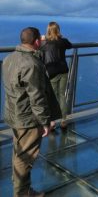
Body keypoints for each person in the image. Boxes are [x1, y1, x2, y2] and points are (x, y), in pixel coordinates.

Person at [3, 27, 61, 197]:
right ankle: (22, 194)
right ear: (36, 41)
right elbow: (37, 97)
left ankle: (25, 190)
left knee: (19, 153)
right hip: (28, 119)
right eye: (39, 40)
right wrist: (44, 121)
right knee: (25, 158)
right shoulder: (32, 64)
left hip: (14, 114)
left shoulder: (9, 59)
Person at [40, 22, 72, 129]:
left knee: (52, 97)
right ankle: (64, 120)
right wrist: (60, 38)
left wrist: (42, 39)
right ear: (58, 30)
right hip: (63, 70)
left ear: (48, 30)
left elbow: (37, 50)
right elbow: (70, 45)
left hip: (51, 72)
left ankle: (52, 122)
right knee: (62, 95)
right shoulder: (62, 41)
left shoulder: (44, 43)